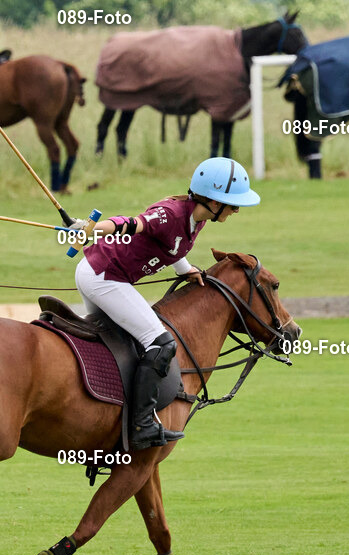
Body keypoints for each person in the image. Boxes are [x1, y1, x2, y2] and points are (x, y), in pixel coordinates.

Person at [74, 157, 261, 450]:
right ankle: (141, 425)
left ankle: (108, 413)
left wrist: (185, 269)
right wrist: (95, 228)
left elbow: (172, 246)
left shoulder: (196, 218)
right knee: (160, 343)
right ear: (213, 201)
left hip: (103, 274)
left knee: (123, 342)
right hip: (104, 277)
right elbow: (131, 223)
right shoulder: (170, 214)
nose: (236, 210)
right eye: (232, 204)